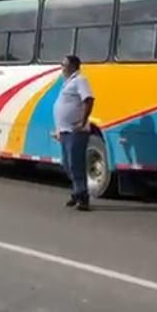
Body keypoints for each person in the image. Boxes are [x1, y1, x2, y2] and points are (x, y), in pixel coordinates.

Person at [52, 55, 95, 211]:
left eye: (63, 64)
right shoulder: (67, 83)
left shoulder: (80, 80)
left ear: (72, 66)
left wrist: (82, 121)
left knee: (75, 164)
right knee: (66, 164)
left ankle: (83, 197)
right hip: (65, 131)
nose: (61, 67)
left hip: (76, 131)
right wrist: (58, 129)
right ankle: (77, 192)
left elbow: (89, 100)